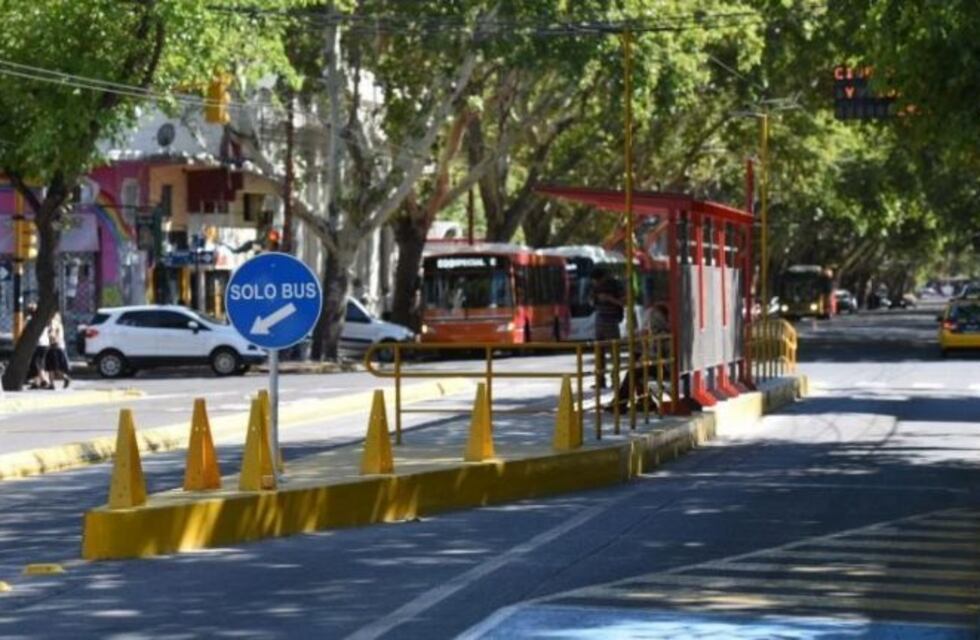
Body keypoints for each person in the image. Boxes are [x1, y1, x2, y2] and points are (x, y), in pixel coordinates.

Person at [592, 268, 625, 389]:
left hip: (612, 321)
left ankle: (615, 380)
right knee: (599, 353)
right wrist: (596, 299)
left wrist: (609, 298)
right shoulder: (595, 287)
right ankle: (600, 380)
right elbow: (592, 302)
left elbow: (624, 302)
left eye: (598, 281)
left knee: (614, 353)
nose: (597, 283)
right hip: (599, 320)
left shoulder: (616, 284)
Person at [45, 312, 71, 389]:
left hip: (54, 346)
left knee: (50, 367)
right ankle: (65, 377)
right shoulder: (60, 324)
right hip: (60, 346)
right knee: (57, 366)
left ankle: (52, 384)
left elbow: (52, 334)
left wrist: (49, 335)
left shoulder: (53, 323)